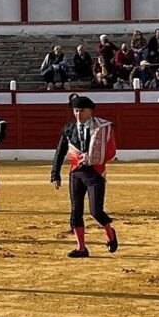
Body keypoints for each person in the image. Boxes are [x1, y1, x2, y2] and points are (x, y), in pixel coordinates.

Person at [50, 96, 118, 258]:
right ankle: (81, 247)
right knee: (76, 211)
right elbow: (60, 152)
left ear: (90, 111)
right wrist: (55, 173)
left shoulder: (101, 127)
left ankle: (110, 232)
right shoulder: (68, 129)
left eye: (81, 110)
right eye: (75, 110)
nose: (78, 114)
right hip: (76, 172)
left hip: (95, 173)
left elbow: (108, 151)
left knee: (96, 211)